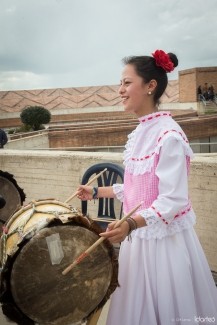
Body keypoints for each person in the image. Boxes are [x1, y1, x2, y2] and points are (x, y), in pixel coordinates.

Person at [77, 50, 217, 325]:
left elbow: (172, 200)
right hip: (137, 240)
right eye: (121, 83)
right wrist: (95, 192)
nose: (120, 90)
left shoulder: (169, 135)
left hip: (163, 245)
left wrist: (130, 225)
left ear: (150, 86)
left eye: (127, 83)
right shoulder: (142, 131)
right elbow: (137, 188)